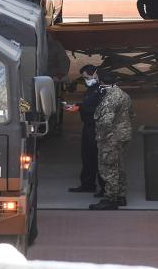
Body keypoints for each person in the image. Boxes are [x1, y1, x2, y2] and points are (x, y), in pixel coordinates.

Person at [89, 72, 132, 210]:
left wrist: (102, 135)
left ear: (101, 82)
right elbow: (131, 114)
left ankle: (110, 199)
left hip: (111, 138)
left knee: (109, 167)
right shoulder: (123, 94)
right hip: (122, 135)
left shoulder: (110, 98)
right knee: (119, 165)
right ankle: (121, 195)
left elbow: (106, 121)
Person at [66, 65, 105, 196]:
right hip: (88, 127)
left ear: (95, 74)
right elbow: (89, 104)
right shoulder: (91, 90)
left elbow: (101, 110)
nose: (86, 80)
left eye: (87, 77)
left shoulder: (102, 90)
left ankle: (105, 188)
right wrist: (78, 106)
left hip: (98, 127)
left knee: (98, 158)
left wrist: (80, 109)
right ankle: (88, 184)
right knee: (87, 156)